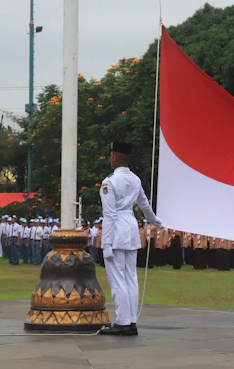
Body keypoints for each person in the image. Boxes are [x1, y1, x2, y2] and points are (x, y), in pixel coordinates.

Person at [99, 142, 161, 336]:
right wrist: (155, 220)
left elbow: (109, 215)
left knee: (117, 279)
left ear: (114, 158)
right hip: (130, 226)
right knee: (131, 278)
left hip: (117, 229)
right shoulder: (135, 179)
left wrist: (106, 243)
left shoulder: (108, 182)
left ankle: (123, 322)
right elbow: (144, 204)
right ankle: (131, 320)